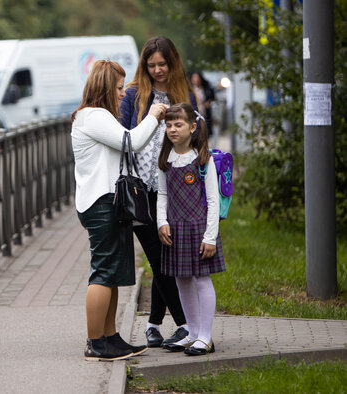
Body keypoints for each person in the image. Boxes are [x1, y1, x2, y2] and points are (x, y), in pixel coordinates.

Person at [71, 59, 167, 361]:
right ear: (103, 88)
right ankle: (95, 343)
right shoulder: (92, 117)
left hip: (108, 202)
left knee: (111, 273)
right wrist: (152, 114)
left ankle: (110, 338)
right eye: (117, 87)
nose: (123, 93)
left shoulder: (100, 117)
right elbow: (134, 142)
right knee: (102, 273)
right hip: (101, 203)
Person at [119, 36, 198, 348]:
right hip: (141, 188)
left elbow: (199, 133)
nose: (156, 70)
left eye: (162, 64)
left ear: (172, 62)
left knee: (165, 257)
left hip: (177, 188)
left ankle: (153, 325)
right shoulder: (135, 94)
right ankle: (186, 324)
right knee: (159, 256)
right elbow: (123, 137)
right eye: (151, 65)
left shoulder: (184, 93)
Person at [155, 103, 225, 355]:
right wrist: (162, 222)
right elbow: (162, 195)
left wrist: (210, 237)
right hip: (175, 229)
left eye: (178, 125)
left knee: (202, 280)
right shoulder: (165, 159)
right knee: (181, 280)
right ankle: (192, 333)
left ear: (193, 127)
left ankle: (205, 336)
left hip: (198, 229)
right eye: (168, 125)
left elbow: (213, 201)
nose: (172, 129)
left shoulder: (203, 159)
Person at [190, 71, 215, 137]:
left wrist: (208, 102)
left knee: (205, 131)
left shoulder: (206, 89)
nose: (196, 80)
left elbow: (212, 98)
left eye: (197, 78)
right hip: (194, 112)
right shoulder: (190, 90)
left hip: (204, 112)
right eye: (194, 78)